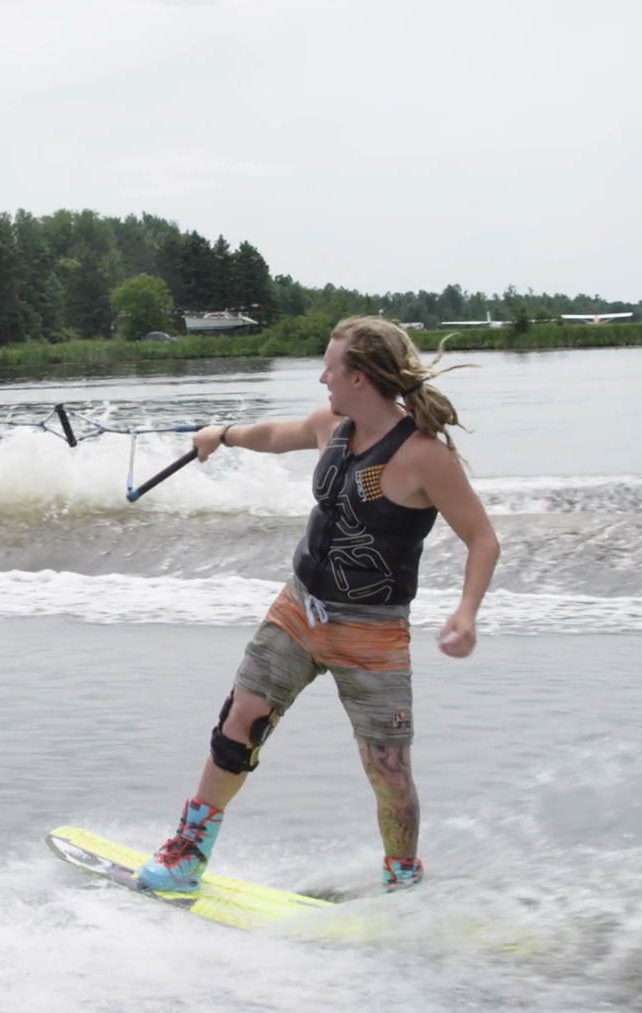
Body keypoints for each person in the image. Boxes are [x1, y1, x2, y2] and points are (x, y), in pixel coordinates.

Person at [136, 316, 501, 895]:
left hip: (373, 633)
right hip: (298, 610)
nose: (321, 376)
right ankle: (188, 849)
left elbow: (483, 539)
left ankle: (403, 880)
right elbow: (276, 434)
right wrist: (221, 434)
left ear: (359, 377)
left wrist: (466, 614)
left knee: (388, 771)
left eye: (330, 367)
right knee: (239, 725)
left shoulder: (425, 456)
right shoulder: (333, 425)